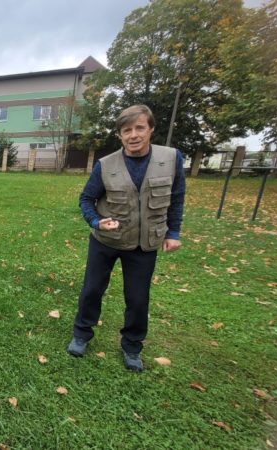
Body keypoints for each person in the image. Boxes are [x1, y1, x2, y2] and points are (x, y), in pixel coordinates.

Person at [66, 104, 185, 372]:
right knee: (92, 290)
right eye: (126, 130)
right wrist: (96, 221)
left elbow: (176, 198)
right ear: (120, 135)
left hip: (144, 244)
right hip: (105, 241)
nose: (133, 135)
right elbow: (87, 198)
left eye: (139, 128)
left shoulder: (171, 158)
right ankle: (81, 334)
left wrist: (173, 232)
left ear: (151, 129)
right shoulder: (105, 165)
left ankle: (132, 346)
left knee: (138, 298)